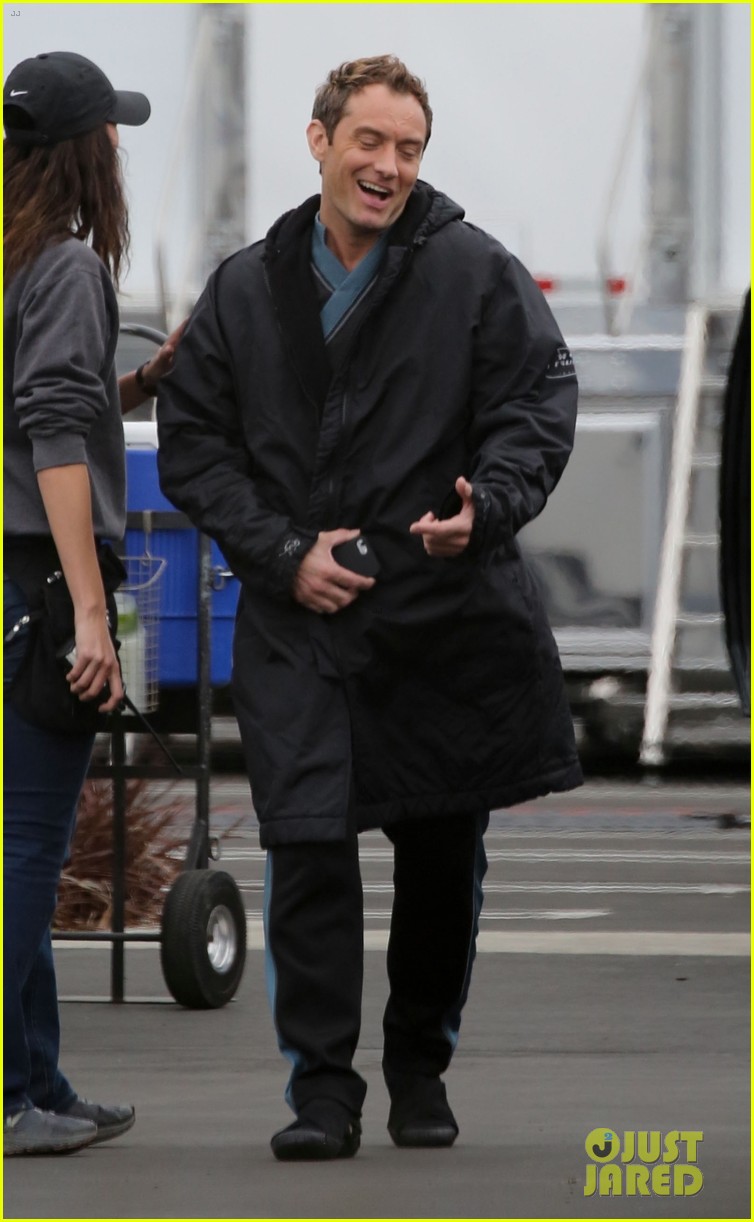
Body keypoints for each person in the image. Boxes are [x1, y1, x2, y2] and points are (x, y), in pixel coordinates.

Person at [157, 54, 582, 1161]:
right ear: (320, 141)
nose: (389, 166)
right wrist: (280, 552)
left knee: (442, 855)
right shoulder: (245, 288)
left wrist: (487, 506)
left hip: (439, 614)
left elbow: (537, 402)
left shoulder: (473, 272)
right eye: (369, 142)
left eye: (408, 148)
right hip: (296, 619)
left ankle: (418, 1066)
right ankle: (323, 1092)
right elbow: (195, 443)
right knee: (305, 849)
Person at [3, 50, 178, 1158]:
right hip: (36, 579)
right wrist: (87, 613)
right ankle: (12, 1097)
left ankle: (40, 1083)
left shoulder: (10, 257)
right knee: (27, 847)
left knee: (11, 841)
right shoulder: (65, 265)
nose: (120, 143)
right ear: (87, 149)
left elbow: (36, 410)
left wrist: (139, 387)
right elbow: (55, 439)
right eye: (112, 127)